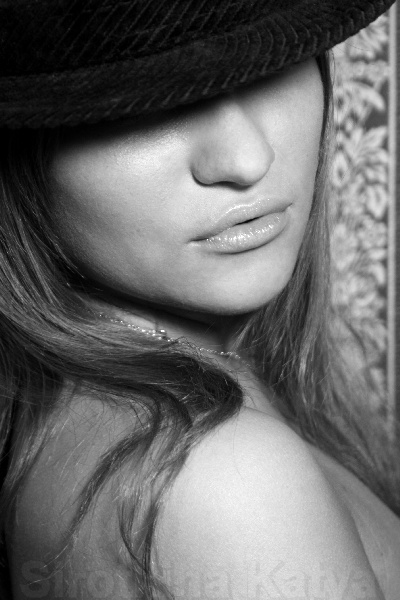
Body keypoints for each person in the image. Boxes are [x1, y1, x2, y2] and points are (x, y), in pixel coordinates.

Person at [0, 0, 399, 598]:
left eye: (267, 66)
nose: (246, 160)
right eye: (145, 102)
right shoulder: (220, 479)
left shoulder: (159, 407)